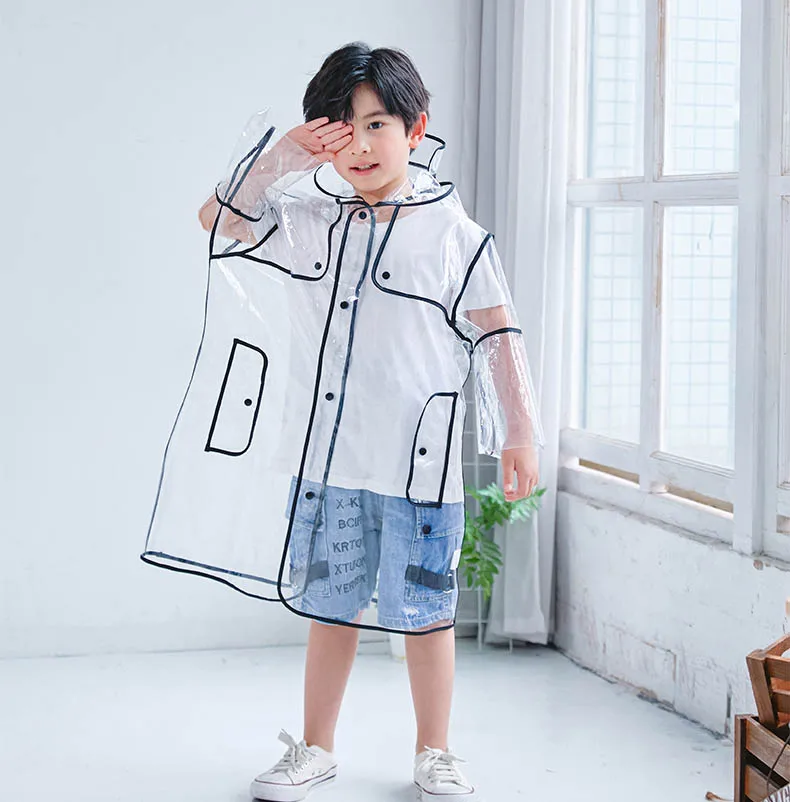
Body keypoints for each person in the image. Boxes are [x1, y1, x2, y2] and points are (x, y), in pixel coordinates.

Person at [158, 41, 542, 801]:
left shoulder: (455, 237)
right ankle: (315, 748)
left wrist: (520, 433)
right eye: (341, 128)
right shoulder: (308, 219)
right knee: (328, 610)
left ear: (415, 128)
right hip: (329, 462)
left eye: (376, 125)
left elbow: (499, 335)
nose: (360, 146)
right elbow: (215, 218)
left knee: (425, 614)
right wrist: (284, 156)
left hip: (418, 466)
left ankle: (436, 751)